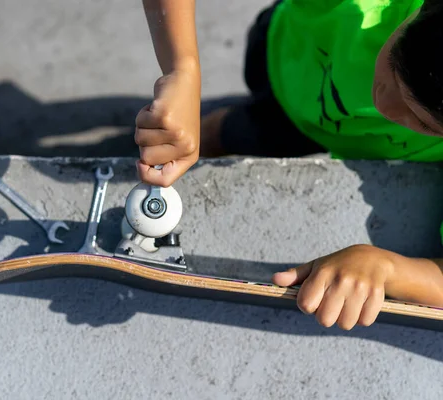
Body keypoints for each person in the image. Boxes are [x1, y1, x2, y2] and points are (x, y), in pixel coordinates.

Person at [135, 0, 443, 330]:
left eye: (424, 124)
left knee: (242, 132)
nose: (383, 106)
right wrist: (182, 71)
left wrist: (386, 268)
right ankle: (211, 133)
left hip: (317, 126)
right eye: (394, 68)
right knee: (226, 131)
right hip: (281, 54)